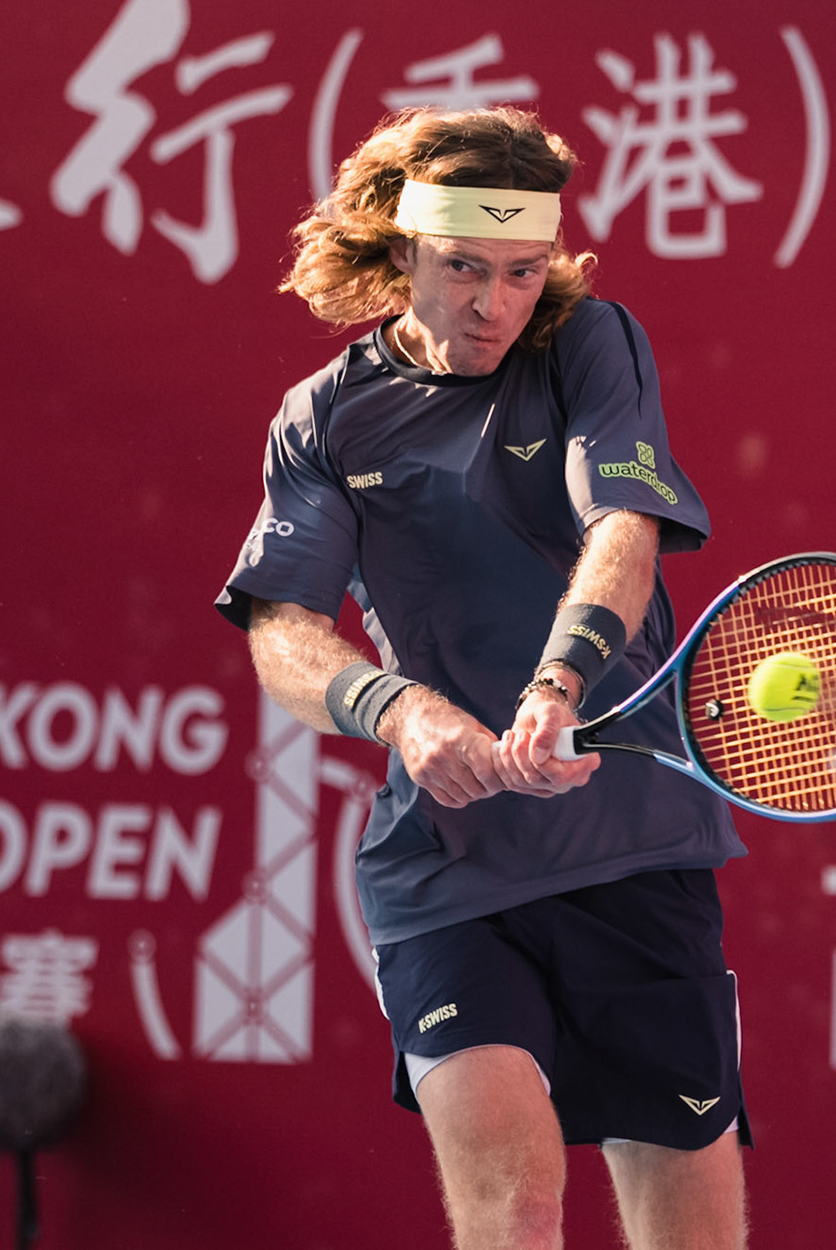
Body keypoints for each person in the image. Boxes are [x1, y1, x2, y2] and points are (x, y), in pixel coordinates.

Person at [215, 106, 750, 1250]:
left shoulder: (591, 345)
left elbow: (623, 526)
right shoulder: (323, 419)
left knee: (690, 1228)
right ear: (401, 250)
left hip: (636, 842)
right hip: (446, 869)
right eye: (462, 266)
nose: (492, 304)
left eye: (520, 272)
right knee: (517, 1206)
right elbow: (284, 631)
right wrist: (399, 710)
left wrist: (560, 681)